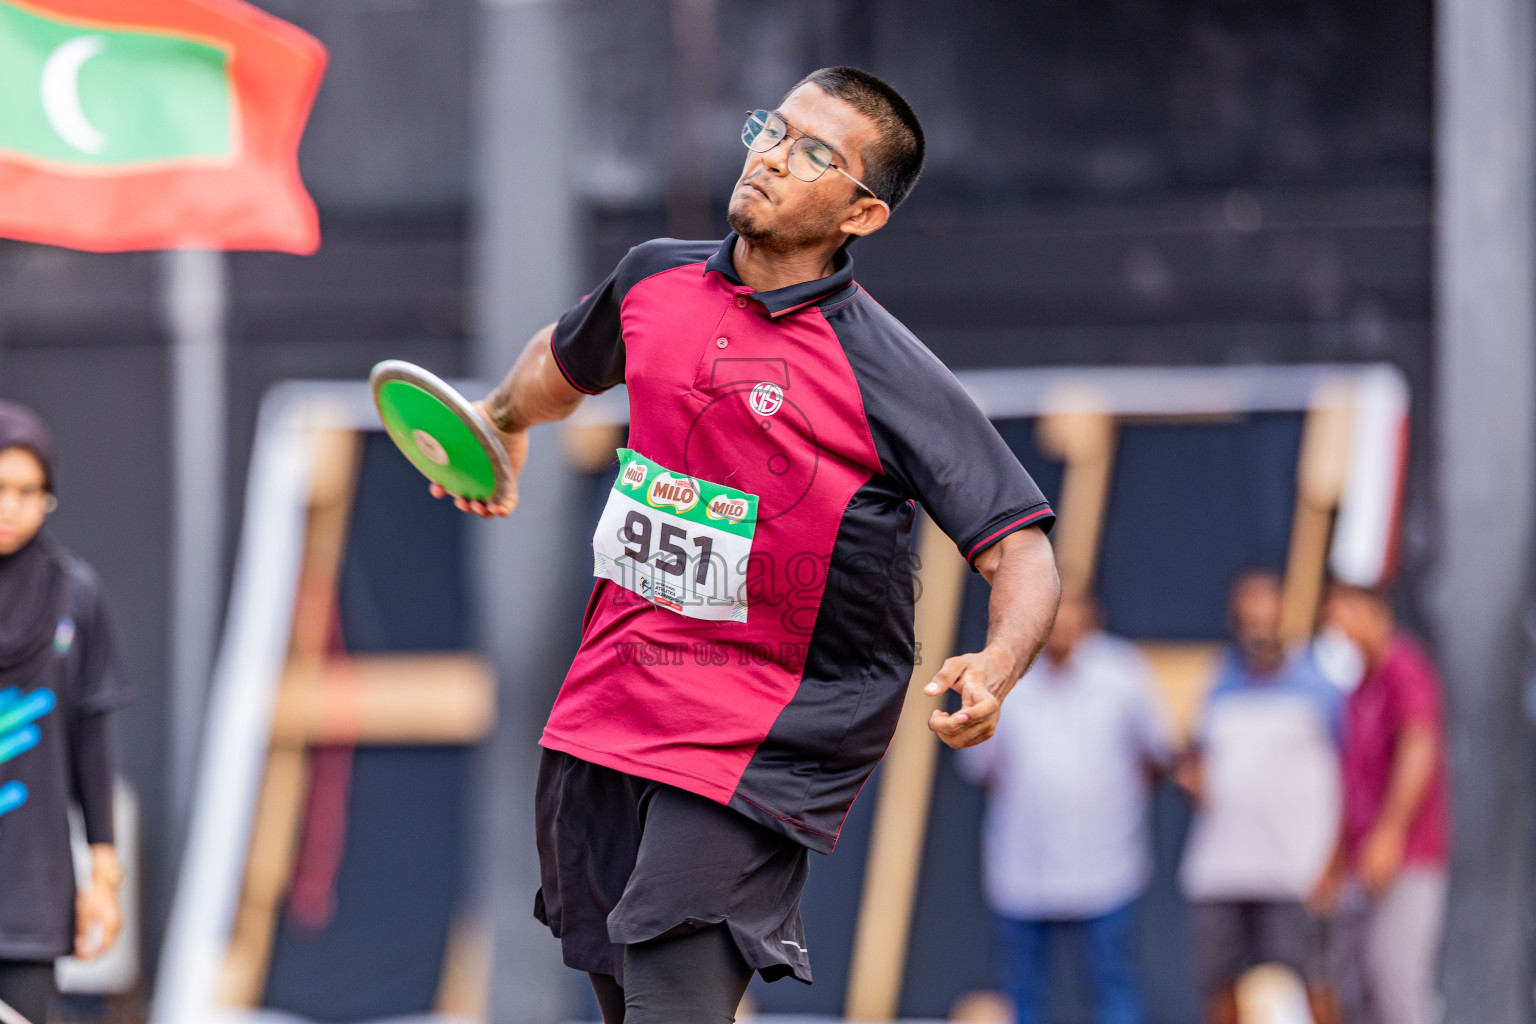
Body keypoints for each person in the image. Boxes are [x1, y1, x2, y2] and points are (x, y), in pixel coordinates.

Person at [432, 67, 1061, 1021]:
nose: (770, 155)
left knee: (672, 1002)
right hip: (609, 703)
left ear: (861, 214)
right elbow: (561, 363)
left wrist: (999, 664)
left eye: (813, 153)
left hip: (762, 730)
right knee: (631, 1002)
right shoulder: (653, 279)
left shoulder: (885, 371)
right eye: (773, 128)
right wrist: (500, 420)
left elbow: (1021, 545)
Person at [958, 585, 1172, 1024]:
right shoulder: (1004, 676)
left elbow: (1157, 754)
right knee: (1023, 989)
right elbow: (982, 767)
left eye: (1070, 615)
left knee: (1113, 984)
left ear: (1091, 618)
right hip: (1022, 867)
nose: (1060, 627)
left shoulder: (1122, 673)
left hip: (1107, 865)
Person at [0, 402, 129, 1023]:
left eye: (28, 491)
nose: (10, 507)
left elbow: (90, 741)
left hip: (30, 892)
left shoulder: (73, 592)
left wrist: (103, 875)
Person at [1176, 569, 1342, 1024]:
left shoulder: (1321, 687)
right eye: (1250, 619)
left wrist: (1332, 860)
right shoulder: (1218, 681)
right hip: (1221, 870)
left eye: (1267, 617)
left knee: (1313, 980)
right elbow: (1198, 758)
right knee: (1220, 982)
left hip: (1295, 869)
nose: (1260, 629)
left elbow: (1345, 778)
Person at [1314, 583, 1448, 1024]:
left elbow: (1418, 748)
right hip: (1359, 865)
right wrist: (1334, 859)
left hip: (1404, 861)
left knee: (1395, 982)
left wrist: (1390, 833)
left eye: (1341, 617)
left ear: (1372, 614)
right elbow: (1351, 784)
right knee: (1354, 987)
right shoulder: (1357, 689)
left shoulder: (1403, 668)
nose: (1335, 630)